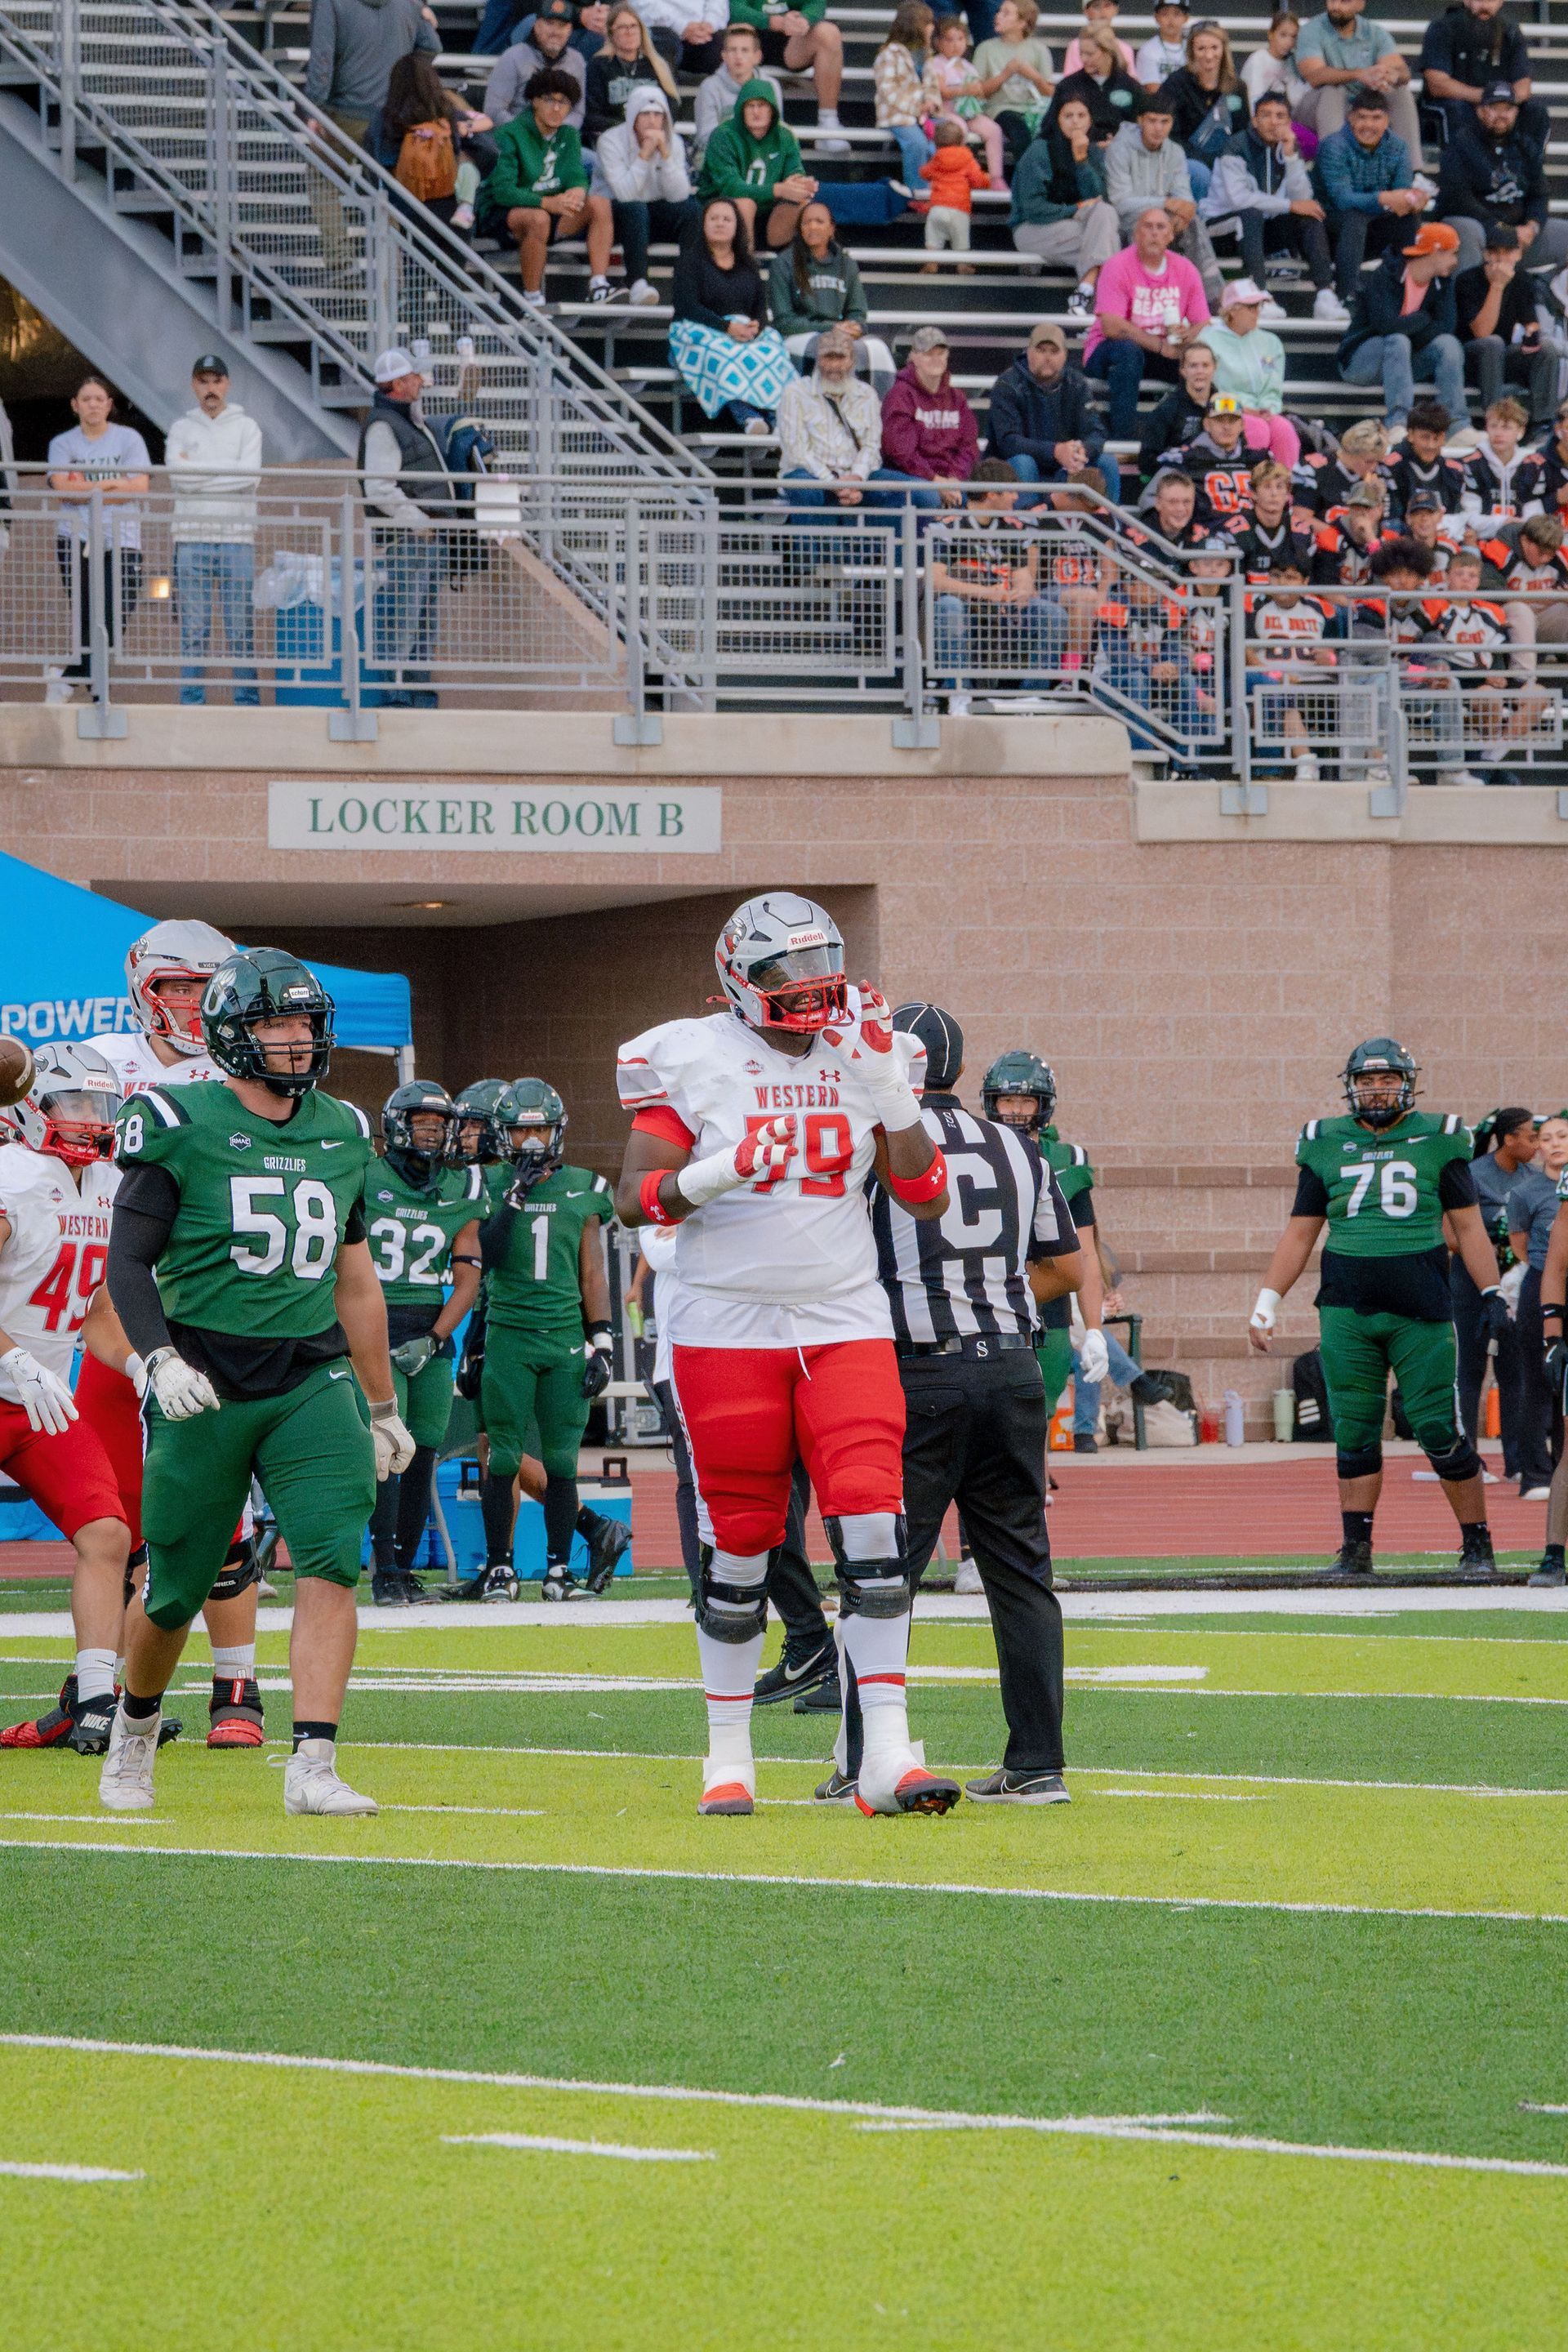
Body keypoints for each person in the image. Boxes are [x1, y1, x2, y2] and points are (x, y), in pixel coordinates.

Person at [613, 892, 957, 1820]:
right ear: (737, 976)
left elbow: (926, 1197)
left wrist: (886, 1087)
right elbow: (631, 1199)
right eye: (783, 972)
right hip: (725, 1323)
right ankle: (728, 1755)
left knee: (876, 1526)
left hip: (841, 1315)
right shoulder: (687, 1054)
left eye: (818, 966)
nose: (807, 989)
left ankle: (885, 1749)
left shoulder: (877, 1045)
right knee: (740, 1540)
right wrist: (719, 1172)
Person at [100, 948, 416, 1814]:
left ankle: (313, 1763)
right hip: (202, 1372)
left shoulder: (344, 1129)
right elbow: (127, 1262)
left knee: (330, 1560)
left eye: (306, 1023)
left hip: (309, 1376)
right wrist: (157, 1360)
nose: (296, 1039)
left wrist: (382, 1403)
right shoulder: (174, 1115)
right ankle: (134, 1729)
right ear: (233, 1034)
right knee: (175, 1590)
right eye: (277, 1023)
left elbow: (356, 1280)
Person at [850, 1003, 1083, 1805]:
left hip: (922, 1375)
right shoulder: (1021, 1148)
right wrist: (996, 1300)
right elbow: (1070, 1269)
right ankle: (1038, 1764)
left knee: (884, 1571)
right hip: (1015, 1366)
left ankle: (863, 1757)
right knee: (1021, 1571)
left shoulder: (879, 1143)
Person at [80, 919, 271, 1753]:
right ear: (144, 988)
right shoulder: (91, 1064)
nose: (192, 1004)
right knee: (121, 1516)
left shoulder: (243, 1070)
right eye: (177, 987)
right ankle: (111, 1690)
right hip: (103, 1309)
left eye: (206, 986)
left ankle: (238, 1679)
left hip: (204, 1302)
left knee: (218, 1510)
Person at [1249, 1038, 1506, 1579]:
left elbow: (1468, 1228)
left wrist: (1492, 1293)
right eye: (1366, 1081)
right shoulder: (1324, 1141)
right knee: (1355, 1429)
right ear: (1351, 1087)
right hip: (1347, 1307)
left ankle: (1477, 1545)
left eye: (1386, 1079)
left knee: (1436, 1426)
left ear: (1407, 1083)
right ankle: (1356, 1550)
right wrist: (1268, 1299)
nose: (1376, 1089)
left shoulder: (1439, 1138)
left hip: (1421, 1305)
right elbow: (1300, 1235)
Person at [0, 1046, 133, 1757]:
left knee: (106, 1534)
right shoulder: (11, 1176)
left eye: (99, 1105)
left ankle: (92, 1700)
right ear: (31, 1106)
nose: (88, 1119)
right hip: (14, 1377)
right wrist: (12, 1355)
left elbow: (100, 1312)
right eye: (73, 1103)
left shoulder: (110, 1185)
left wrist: (141, 1365)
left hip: (39, 1402)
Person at [469, 1078, 627, 1602]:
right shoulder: (488, 1184)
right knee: (504, 1458)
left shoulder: (584, 1186)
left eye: (540, 1129)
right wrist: (515, 1195)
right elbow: (483, 1257)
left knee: (561, 1461)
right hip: (508, 1337)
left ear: (557, 1131)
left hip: (562, 1339)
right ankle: (500, 1568)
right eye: (521, 1131)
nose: (532, 1141)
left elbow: (592, 1275)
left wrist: (602, 1342)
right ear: (504, 1135)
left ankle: (558, 1572)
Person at [361, 1080, 483, 1605]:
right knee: (385, 1450)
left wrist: (436, 1338)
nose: (431, 1136)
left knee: (423, 1452)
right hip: (374, 1320)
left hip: (429, 1330)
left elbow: (468, 1278)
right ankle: (383, 1569)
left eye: (439, 1127)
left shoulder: (461, 1191)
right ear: (396, 1127)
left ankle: (404, 1568)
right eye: (421, 1125)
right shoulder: (365, 1176)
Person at [1450, 1107, 1543, 1491]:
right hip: (1471, 1284)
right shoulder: (1472, 1175)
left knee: (1514, 1373)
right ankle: (1469, 1458)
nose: (1537, 1146)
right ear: (1509, 1139)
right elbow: (1455, 1237)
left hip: (1515, 1287)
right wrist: (1495, 1247)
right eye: (1531, 1137)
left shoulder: (1533, 1181)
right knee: (1470, 1370)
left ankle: (1518, 1462)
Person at [45, 374, 149, 707]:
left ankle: (69, 677)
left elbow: (140, 488)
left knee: (118, 611)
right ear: (75, 405)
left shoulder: (128, 439)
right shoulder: (63, 443)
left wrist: (86, 489)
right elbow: (62, 489)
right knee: (88, 615)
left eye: (98, 398)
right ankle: (98, 692)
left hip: (123, 538)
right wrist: (111, 485)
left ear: (109, 405)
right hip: (75, 539)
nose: (92, 404)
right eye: (85, 398)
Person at [929, 460, 1068, 709]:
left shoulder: (1010, 530)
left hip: (1005, 612)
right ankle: (958, 692)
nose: (1016, 497)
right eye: (1011, 491)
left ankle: (1031, 696)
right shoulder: (949, 526)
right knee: (948, 606)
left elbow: (1024, 577)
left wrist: (1022, 593)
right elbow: (936, 580)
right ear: (992, 494)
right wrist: (986, 593)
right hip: (967, 610)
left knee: (1052, 613)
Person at [164, 355, 261, 710]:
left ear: (227, 384)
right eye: (203, 381)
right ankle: (192, 704)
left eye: (216, 381)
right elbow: (178, 478)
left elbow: (250, 476)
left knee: (240, 631)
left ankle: (247, 703)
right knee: (194, 630)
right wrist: (227, 473)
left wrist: (199, 473)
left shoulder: (247, 427)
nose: (210, 389)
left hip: (238, 538)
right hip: (190, 537)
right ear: (193, 385)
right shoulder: (180, 428)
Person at [358, 346, 452, 707]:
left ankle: (419, 698)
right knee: (405, 623)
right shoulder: (385, 425)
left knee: (422, 625)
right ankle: (399, 699)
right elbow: (380, 487)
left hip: (422, 537)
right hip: (410, 538)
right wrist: (418, 521)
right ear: (398, 383)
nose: (420, 381)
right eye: (414, 376)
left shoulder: (404, 420)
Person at [1202, 89, 1341, 323]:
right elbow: (1239, 199)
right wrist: (1290, 205)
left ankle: (1326, 296)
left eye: (1280, 116)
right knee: (1251, 213)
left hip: (1261, 230)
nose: (1273, 121)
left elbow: (1303, 198)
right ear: (1255, 120)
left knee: (1311, 214)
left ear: (1289, 122)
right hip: (1223, 229)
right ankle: (1260, 295)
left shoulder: (1287, 147)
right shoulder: (1236, 146)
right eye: (1266, 115)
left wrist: (1290, 157)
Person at [483, 65, 613, 309]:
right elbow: (502, 191)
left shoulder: (568, 135)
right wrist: (546, 202)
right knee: (538, 219)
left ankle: (599, 285)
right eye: (549, 100)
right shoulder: (509, 134)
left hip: (550, 209)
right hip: (505, 212)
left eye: (563, 102)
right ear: (534, 101)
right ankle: (533, 300)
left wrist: (577, 190)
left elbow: (575, 174)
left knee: (598, 202)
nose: (556, 108)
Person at [1083, 203, 1210, 442]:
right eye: (1147, 226)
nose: (1154, 232)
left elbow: (1204, 323)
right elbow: (1112, 327)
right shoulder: (1117, 265)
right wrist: (1161, 346)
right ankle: (1124, 441)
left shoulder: (1186, 269)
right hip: (1108, 350)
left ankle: (1195, 439)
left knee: (1201, 359)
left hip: (1160, 350)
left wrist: (1187, 338)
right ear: (1135, 235)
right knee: (1129, 354)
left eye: (1161, 227)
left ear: (1170, 236)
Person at [669, 198, 795, 435]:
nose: (720, 223)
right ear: (703, 224)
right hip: (697, 332)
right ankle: (747, 416)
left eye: (727, 219)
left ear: (737, 226)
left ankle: (778, 417)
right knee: (725, 355)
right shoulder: (689, 262)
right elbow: (687, 307)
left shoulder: (748, 265)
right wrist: (726, 327)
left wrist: (755, 327)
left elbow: (759, 307)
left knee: (773, 352)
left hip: (740, 330)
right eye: (713, 218)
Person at [1338, 219, 1467, 433]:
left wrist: (1407, 326)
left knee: (1448, 344)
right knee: (1398, 340)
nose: (1455, 260)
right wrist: (1424, 318)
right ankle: (1399, 422)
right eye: (1452, 253)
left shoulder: (1444, 281)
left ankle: (1457, 425)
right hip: (1361, 362)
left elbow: (1446, 326)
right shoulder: (1385, 274)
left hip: (1404, 362)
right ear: (1435, 252)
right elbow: (1385, 326)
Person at [776, 327, 924, 511]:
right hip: (811, 475)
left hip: (858, 476)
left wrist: (856, 479)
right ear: (818, 360)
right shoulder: (795, 393)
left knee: (923, 495)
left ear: (852, 361)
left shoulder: (867, 394)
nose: (834, 365)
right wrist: (834, 483)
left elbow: (871, 446)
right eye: (828, 358)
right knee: (807, 490)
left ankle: (882, 538)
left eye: (840, 358)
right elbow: (796, 450)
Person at [1436, 82, 1568, 279]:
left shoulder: (1526, 146)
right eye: (1494, 108)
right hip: (1478, 229)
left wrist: (1532, 227)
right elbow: (1458, 200)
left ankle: (1548, 296)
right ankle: (1465, 302)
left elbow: (1539, 195)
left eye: (1508, 109)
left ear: (1516, 113)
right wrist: (1504, 231)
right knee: (1469, 231)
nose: (1501, 115)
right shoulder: (1461, 144)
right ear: (1480, 111)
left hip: (1518, 234)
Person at [1103, 94, 1223, 309]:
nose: (1158, 128)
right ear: (1140, 120)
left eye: (1164, 122)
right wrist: (1166, 204)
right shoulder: (1119, 149)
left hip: (1163, 216)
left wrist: (1183, 210)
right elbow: (1120, 202)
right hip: (1127, 220)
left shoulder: (1174, 151)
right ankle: (1142, 298)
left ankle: (1213, 297)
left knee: (1192, 221)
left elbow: (1183, 195)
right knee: (1150, 226)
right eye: (1152, 121)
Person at [1314, 86, 1428, 308]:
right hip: (1331, 229)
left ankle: (1406, 292)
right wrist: (1385, 198)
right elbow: (1342, 199)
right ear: (1350, 119)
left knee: (1409, 220)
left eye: (1376, 118)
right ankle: (1346, 295)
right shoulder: (1333, 146)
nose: (1369, 125)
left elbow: (1401, 194)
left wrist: (1413, 200)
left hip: (1372, 228)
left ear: (1387, 120)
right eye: (1362, 118)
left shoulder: (1399, 147)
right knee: (1355, 216)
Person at [1009, 96, 1122, 314]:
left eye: (1081, 116)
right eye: (1068, 116)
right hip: (1034, 229)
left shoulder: (1093, 152)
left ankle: (1085, 294)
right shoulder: (1040, 150)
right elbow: (1033, 209)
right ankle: (1097, 309)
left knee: (1105, 216)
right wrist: (1075, 209)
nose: (1075, 122)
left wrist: (1081, 161)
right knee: (1108, 242)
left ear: (1090, 121)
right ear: (1057, 120)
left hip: (1077, 226)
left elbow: (1099, 199)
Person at [986, 320, 1118, 501]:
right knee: (1024, 463)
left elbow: (1096, 431)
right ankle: (1025, 524)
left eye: (1054, 352)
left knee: (1106, 462)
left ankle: (1110, 525)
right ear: (1028, 352)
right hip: (1017, 468)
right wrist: (1055, 451)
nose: (1047, 357)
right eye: (1041, 350)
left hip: (1065, 468)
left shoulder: (1077, 383)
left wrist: (1082, 451)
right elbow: (1008, 443)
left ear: (1065, 355)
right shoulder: (1007, 385)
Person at [769, 204, 895, 390]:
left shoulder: (847, 264)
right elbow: (784, 321)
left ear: (831, 229)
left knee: (877, 350)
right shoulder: (783, 263)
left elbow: (857, 312)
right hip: (800, 336)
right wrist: (831, 328)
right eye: (806, 222)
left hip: (840, 333)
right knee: (825, 350)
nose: (812, 226)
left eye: (819, 222)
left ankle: (874, 412)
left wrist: (854, 327)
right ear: (800, 229)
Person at [1509, 1115, 1568, 1512]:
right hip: (1542, 1288)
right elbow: (1520, 1246)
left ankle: (1563, 1468)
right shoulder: (1526, 1192)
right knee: (1538, 1378)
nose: (1555, 1144)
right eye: (1546, 1139)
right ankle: (1535, 1473)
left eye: (1562, 1136)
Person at [594, 79, 696, 304]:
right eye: (645, 114)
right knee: (635, 209)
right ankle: (637, 283)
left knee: (692, 210)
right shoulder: (610, 140)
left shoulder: (674, 142)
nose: (652, 120)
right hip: (615, 214)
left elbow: (679, 196)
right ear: (633, 117)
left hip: (654, 212)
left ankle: (691, 279)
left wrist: (666, 157)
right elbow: (624, 194)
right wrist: (645, 155)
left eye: (658, 115)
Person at [375, 51, 497, 231]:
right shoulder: (449, 116)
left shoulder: (384, 120)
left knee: (413, 258)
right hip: (451, 208)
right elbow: (491, 152)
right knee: (452, 258)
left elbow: (376, 163)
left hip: (407, 207)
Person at [697, 80, 817, 251]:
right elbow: (731, 188)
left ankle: (789, 265)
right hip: (720, 209)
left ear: (772, 110)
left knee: (802, 201)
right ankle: (746, 268)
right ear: (741, 110)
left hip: (767, 213)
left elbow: (795, 171)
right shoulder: (723, 135)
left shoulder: (785, 136)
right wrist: (778, 189)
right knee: (746, 204)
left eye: (762, 105)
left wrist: (801, 185)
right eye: (750, 106)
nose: (756, 112)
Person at [1294, 0, 1422, 160]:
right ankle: (1335, 166)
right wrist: (1359, 74)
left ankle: (1413, 171)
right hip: (1315, 105)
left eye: (1344, 1)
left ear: (1360, 4)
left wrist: (1390, 74)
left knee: (1400, 92)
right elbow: (1315, 76)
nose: (1335, 7)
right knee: (1333, 91)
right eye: (1331, 0)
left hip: (1359, 103)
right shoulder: (1311, 30)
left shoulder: (1374, 32)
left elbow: (1403, 72)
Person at [1455, 228, 1557, 428]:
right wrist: (1497, 286)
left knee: (1546, 349)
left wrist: (1532, 338)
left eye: (1507, 252)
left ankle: (1541, 422)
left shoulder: (1523, 280)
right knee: (1492, 343)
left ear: (1518, 254)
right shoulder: (1467, 280)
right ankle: (1494, 420)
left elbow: (1531, 323)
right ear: (1486, 254)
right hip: (1470, 357)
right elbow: (1481, 332)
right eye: (1494, 252)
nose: (1500, 258)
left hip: (1503, 356)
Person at [719, 0, 849, 153]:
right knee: (739, 31)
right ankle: (735, 120)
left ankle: (828, 122)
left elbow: (815, 3)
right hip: (753, 30)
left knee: (829, 33)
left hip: (791, 37)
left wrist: (804, 20)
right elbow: (735, 8)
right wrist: (772, 21)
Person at [1420, 0, 1547, 155]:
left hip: (1499, 103)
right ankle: (1463, 173)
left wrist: (1500, 105)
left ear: (1501, 2)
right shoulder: (1443, 27)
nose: (1485, 6)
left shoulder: (1511, 31)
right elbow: (1437, 84)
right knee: (1458, 110)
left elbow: (1523, 86)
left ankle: (1528, 174)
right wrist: (1487, 99)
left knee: (1536, 112)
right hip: (1455, 103)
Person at [1201, 278, 1298, 466]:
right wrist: (1245, 410)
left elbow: (1273, 384)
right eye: (1250, 307)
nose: (1257, 312)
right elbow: (1210, 390)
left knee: (1284, 430)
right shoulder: (1208, 341)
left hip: (1265, 411)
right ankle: (1249, 488)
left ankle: (1284, 490)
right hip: (1227, 411)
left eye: (1258, 306)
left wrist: (1267, 409)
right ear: (1232, 310)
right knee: (1256, 429)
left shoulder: (1270, 342)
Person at [881, 324, 979, 505]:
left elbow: (969, 446)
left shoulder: (957, 398)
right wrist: (936, 482)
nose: (935, 359)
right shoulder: (900, 396)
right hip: (911, 479)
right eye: (928, 354)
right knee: (928, 496)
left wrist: (955, 479)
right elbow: (901, 452)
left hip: (950, 480)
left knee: (981, 497)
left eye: (940, 353)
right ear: (914, 358)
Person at [1156, 20, 1248, 198]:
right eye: (1201, 49)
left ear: (1224, 49)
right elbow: (1171, 136)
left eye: (1214, 48)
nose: (1209, 55)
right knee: (1200, 174)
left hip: (1227, 160)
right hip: (1187, 161)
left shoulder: (1237, 87)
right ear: (1191, 51)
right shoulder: (1176, 84)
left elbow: (1242, 131)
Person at [971, 0, 1057, 173]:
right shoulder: (986, 49)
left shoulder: (1039, 50)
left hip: (1034, 110)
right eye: (998, 12)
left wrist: (1033, 76)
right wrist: (1005, 75)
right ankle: (1026, 185)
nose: (997, 16)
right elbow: (978, 93)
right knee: (1020, 132)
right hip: (1000, 109)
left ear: (1022, 23)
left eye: (1006, 13)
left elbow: (1049, 91)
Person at [922, 14, 1006, 190]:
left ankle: (996, 178)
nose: (956, 45)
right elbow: (943, 92)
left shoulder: (967, 65)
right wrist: (966, 90)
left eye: (961, 39)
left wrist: (980, 91)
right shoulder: (936, 64)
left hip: (969, 112)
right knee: (958, 129)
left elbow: (978, 91)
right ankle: (957, 175)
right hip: (946, 112)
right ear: (938, 43)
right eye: (950, 40)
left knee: (994, 130)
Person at [483, 0, 588, 127]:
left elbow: (577, 112)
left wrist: (556, 133)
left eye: (562, 26)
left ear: (570, 30)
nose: (555, 32)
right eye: (549, 24)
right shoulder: (513, 57)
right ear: (536, 25)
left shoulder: (577, 61)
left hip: (560, 140)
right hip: (516, 139)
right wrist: (531, 133)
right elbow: (494, 111)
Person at [691, 21, 782, 167]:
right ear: (724, 55)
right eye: (733, 50)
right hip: (721, 159)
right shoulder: (710, 87)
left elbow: (777, 131)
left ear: (757, 56)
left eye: (745, 50)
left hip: (761, 157)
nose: (738, 56)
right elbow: (705, 137)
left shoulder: (771, 86)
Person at [582, 4, 678, 144]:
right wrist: (631, 128)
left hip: (652, 139)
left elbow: (671, 107)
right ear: (611, 34)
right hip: (613, 140)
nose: (629, 32)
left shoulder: (657, 66)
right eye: (622, 27)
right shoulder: (598, 65)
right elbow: (592, 115)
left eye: (634, 26)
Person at [1043, 24, 1143, 143]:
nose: (1084, 59)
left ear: (1108, 52)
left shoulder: (1130, 86)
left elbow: (1140, 127)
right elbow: (1049, 127)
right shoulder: (1068, 86)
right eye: (1081, 53)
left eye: (1090, 54)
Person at [875, 1, 937, 192]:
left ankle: (942, 188)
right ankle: (918, 192)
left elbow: (932, 84)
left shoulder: (926, 55)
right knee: (917, 144)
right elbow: (888, 90)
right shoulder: (889, 54)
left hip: (924, 114)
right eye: (928, 23)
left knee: (948, 133)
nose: (933, 27)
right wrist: (916, 108)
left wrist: (932, 102)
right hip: (898, 113)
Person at [1135, 335, 1215, 477]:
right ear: (1183, 371)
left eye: (1205, 365)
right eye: (1193, 366)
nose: (1200, 371)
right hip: (1180, 480)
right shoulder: (1167, 409)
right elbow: (1146, 460)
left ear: (1214, 368)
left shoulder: (1225, 405)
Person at [1461, 394, 1545, 524]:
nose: (1498, 433)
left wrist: (1518, 529)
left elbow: (1535, 515)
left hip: (1522, 538)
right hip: (1483, 539)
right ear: (1486, 428)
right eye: (1493, 426)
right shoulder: (1473, 464)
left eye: (1506, 427)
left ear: (1521, 432)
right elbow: (1469, 516)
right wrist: (1502, 523)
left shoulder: (1533, 466)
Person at [920, 118, 990, 267]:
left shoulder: (937, 158)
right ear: (961, 141)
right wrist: (987, 179)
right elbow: (978, 180)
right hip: (959, 208)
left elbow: (925, 173)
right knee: (961, 240)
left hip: (938, 207)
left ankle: (932, 262)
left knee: (933, 237)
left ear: (936, 142)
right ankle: (962, 265)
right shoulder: (967, 158)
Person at [1385, 399, 1464, 519]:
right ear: (1410, 435)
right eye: (1425, 437)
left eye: (1436, 438)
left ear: (1444, 438)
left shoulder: (1455, 471)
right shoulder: (1391, 467)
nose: (1430, 445)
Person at [622, 0, 727, 85]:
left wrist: (710, 24)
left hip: (703, 32)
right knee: (663, 46)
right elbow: (641, 4)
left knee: (723, 48)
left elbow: (717, 3)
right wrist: (682, 26)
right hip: (661, 28)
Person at [1241, 11, 1311, 128]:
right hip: (1262, 123)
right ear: (1271, 34)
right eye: (1283, 35)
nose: (1288, 42)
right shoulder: (1258, 59)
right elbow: (1253, 99)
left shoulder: (1292, 63)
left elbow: (1297, 99)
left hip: (1285, 121)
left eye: (1293, 37)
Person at [1060, 0, 1134, 78]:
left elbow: (1131, 83)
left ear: (1116, 10)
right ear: (1086, 11)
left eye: (1107, 6)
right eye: (1096, 6)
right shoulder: (1076, 46)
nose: (1103, 12)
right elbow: (1071, 83)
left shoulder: (1126, 49)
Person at [1135, 0, 1189, 93]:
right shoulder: (1148, 50)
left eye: (1177, 14)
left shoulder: (1194, 48)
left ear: (1186, 18)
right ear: (1156, 17)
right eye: (1165, 14)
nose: (1171, 20)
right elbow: (1153, 90)